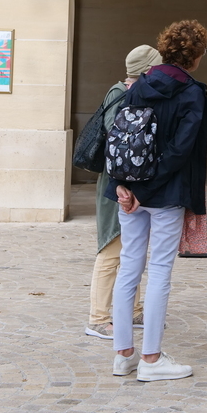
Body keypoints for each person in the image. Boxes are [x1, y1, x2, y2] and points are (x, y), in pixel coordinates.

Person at [107, 19, 207, 382]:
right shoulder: (193, 93)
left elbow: (122, 137)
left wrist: (125, 186)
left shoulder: (140, 85)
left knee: (129, 268)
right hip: (165, 193)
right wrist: (147, 189)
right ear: (195, 56)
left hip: (131, 192)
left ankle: (123, 354)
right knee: (160, 272)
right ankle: (151, 359)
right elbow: (182, 152)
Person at [85, 45, 161, 339]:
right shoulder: (121, 94)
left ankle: (132, 310)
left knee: (132, 250)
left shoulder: (131, 92)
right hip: (116, 185)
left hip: (128, 184)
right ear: (145, 71)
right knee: (111, 249)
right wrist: (122, 187)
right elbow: (118, 146)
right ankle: (98, 317)